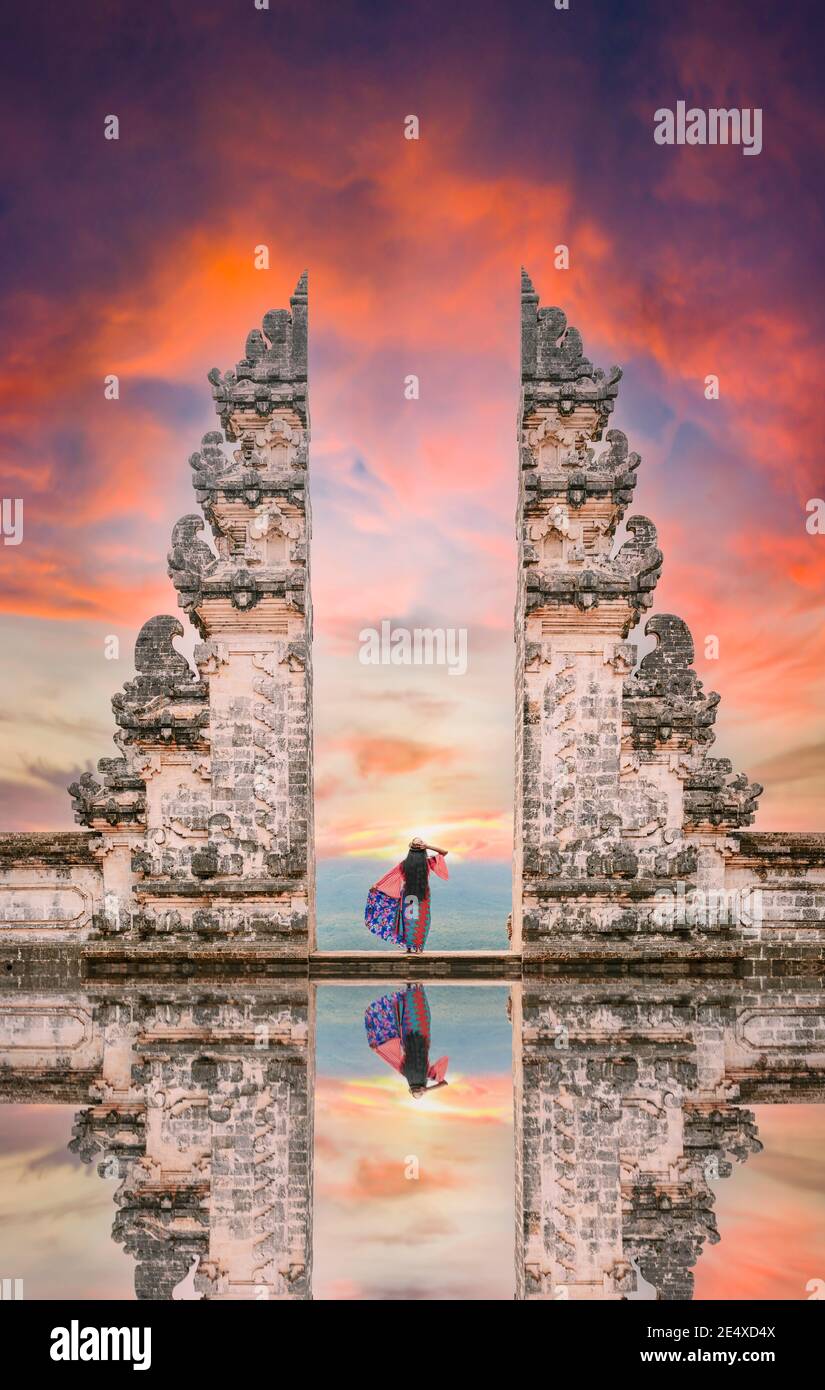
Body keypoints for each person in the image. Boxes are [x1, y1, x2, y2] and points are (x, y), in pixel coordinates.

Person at [364, 836, 449, 953]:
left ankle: (409, 947)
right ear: (423, 850)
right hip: (423, 893)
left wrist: (377, 885)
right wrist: (428, 846)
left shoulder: (404, 864)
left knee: (408, 920)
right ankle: (418, 947)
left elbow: (390, 875)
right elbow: (444, 852)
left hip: (409, 894)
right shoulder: (428, 862)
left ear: (410, 850)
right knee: (422, 920)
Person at [364, 984, 448, 1098]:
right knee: (410, 1013)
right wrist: (377, 1049)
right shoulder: (405, 1071)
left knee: (422, 1012)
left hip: (422, 1037)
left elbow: (444, 1082)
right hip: (408, 1036)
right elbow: (391, 1058)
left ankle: (417, 987)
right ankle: (410, 987)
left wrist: (427, 1090)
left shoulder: (427, 1073)